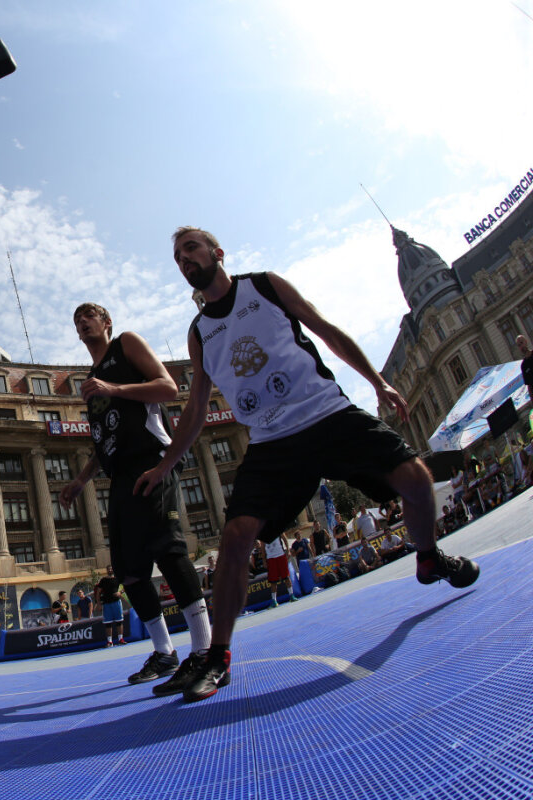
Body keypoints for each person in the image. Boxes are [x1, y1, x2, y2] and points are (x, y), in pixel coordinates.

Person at [133, 226, 479, 703]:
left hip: (327, 413)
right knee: (235, 537)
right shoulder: (200, 333)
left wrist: (377, 382)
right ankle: (219, 656)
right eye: (177, 257)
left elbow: (326, 330)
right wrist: (167, 462)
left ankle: (428, 556)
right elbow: (194, 410)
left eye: (190, 248)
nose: (184, 259)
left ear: (217, 251)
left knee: (417, 480)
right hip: (273, 442)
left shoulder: (265, 286)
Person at [61, 301, 212, 693]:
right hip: (120, 474)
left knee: (169, 549)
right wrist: (81, 480)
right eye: (77, 320)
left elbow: (168, 387)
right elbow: (106, 440)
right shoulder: (91, 380)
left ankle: (204, 650)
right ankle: (164, 652)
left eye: (88, 316)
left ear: (106, 323)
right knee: (128, 570)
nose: (82, 323)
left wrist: (114, 388)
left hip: (153, 459)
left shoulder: (126, 344)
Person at [259, 532, 297, 607]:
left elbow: (285, 539)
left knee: (286, 577)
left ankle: (291, 595)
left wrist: (288, 550)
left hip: (280, 555)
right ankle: (274, 600)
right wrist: (264, 560)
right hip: (270, 558)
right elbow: (262, 547)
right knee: (273, 581)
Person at [93, 565, 126, 645]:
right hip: (106, 604)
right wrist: (99, 604)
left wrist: (120, 592)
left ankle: (120, 639)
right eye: (108, 569)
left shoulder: (118, 578)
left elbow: (126, 586)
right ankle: (109, 641)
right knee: (108, 623)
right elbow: (98, 593)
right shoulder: (103, 580)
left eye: (111, 569)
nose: (110, 570)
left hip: (117, 602)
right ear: (107, 570)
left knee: (119, 621)